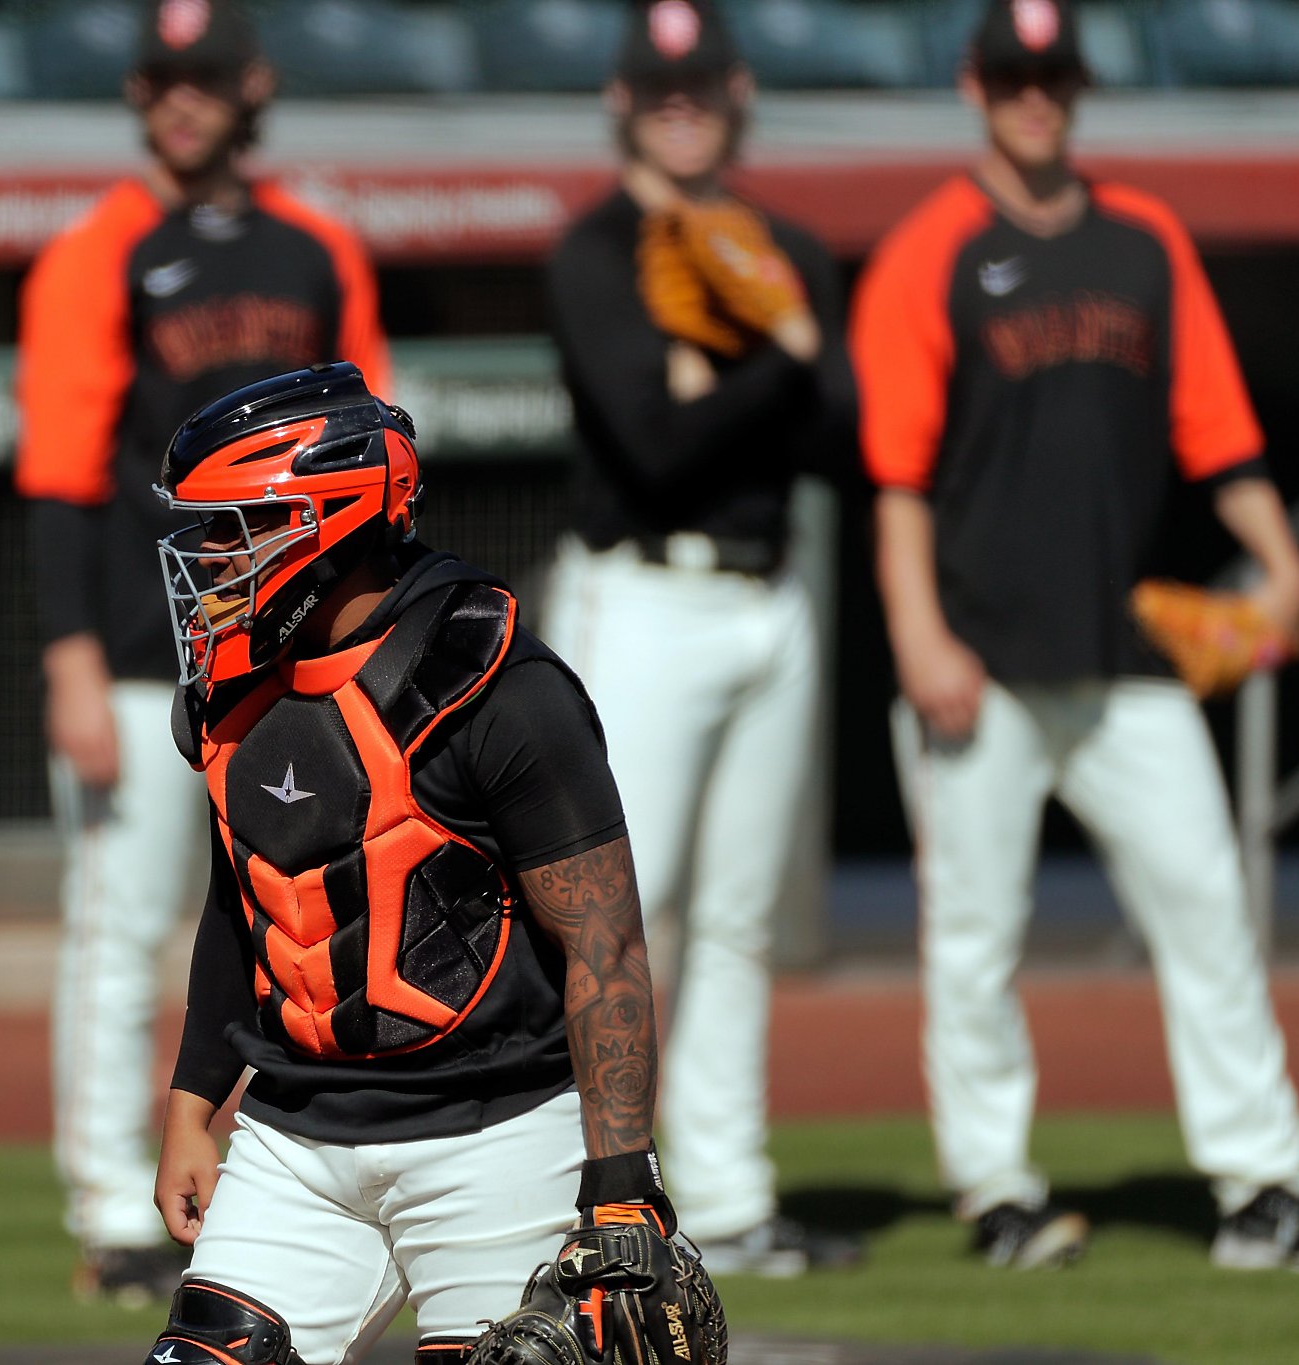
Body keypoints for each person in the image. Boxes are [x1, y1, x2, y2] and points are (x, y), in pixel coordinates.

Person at [852, 0, 1299, 1271]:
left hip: (1123, 656)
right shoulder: (926, 253)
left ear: (1076, 83)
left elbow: (1216, 433)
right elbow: (892, 475)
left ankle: (1262, 1183)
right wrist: (916, 635)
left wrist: (1277, 560)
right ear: (971, 83)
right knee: (974, 940)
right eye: (1010, 72)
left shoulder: (1143, 241)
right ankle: (995, 1192)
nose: (1031, 93)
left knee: (1208, 910)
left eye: (1049, 71)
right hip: (979, 663)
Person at [145, 363, 722, 1364]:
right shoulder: (229, 688)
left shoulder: (496, 682)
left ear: (325, 519)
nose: (208, 557)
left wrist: (621, 1179)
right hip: (295, 1135)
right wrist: (194, 1107)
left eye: (235, 526)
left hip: (495, 1135)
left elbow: (604, 940)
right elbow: (242, 904)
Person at [13, 0, 389, 1304]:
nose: (183, 99)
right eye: (164, 77)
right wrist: (67, 658)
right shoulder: (96, 255)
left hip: (293, 658)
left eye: (206, 76)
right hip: (139, 650)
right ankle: (110, 1204)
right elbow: (59, 478)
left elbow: (371, 460)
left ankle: (330, 1178)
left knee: (316, 923)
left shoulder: (316, 249)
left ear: (252, 86)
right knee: (120, 933)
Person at [539, 0, 860, 1276]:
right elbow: (651, 446)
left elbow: (843, 429)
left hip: (764, 598)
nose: (682, 109)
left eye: (701, 90)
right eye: (659, 91)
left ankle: (726, 1198)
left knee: (737, 916)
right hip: (642, 597)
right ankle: (583, 1196)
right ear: (621, 100)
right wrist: (775, 349)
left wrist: (739, 357)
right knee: (616, 910)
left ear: (734, 98)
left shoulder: (783, 240)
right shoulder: (591, 251)